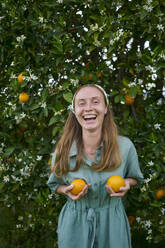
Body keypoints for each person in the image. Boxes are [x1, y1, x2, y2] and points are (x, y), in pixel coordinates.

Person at [47, 84, 143, 248]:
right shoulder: (63, 150)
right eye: (82, 103)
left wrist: (127, 183)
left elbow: (135, 178)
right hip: (75, 225)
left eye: (95, 102)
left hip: (113, 223)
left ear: (105, 108)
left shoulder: (125, 147)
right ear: (74, 111)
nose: (88, 108)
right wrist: (67, 191)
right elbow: (55, 184)